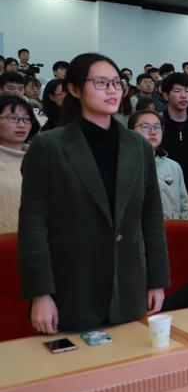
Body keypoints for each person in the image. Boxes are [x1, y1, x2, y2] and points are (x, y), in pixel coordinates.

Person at [18, 53, 169, 334]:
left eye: (117, 82)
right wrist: (40, 294)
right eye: (101, 82)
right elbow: (33, 226)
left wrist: (157, 281)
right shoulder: (48, 146)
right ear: (74, 89)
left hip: (129, 285)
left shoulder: (137, 145)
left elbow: (151, 216)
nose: (112, 90)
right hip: (72, 287)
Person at [128, 110, 188, 220]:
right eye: (145, 127)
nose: (153, 132)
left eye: (157, 127)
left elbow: (184, 206)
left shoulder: (173, 167)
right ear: (130, 131)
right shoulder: (124, 166)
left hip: (170, 227)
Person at [0, 95, 39, 233]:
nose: (21, 125)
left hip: (35, 241)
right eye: (13, 118)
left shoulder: (40, 158)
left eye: (26, 119)